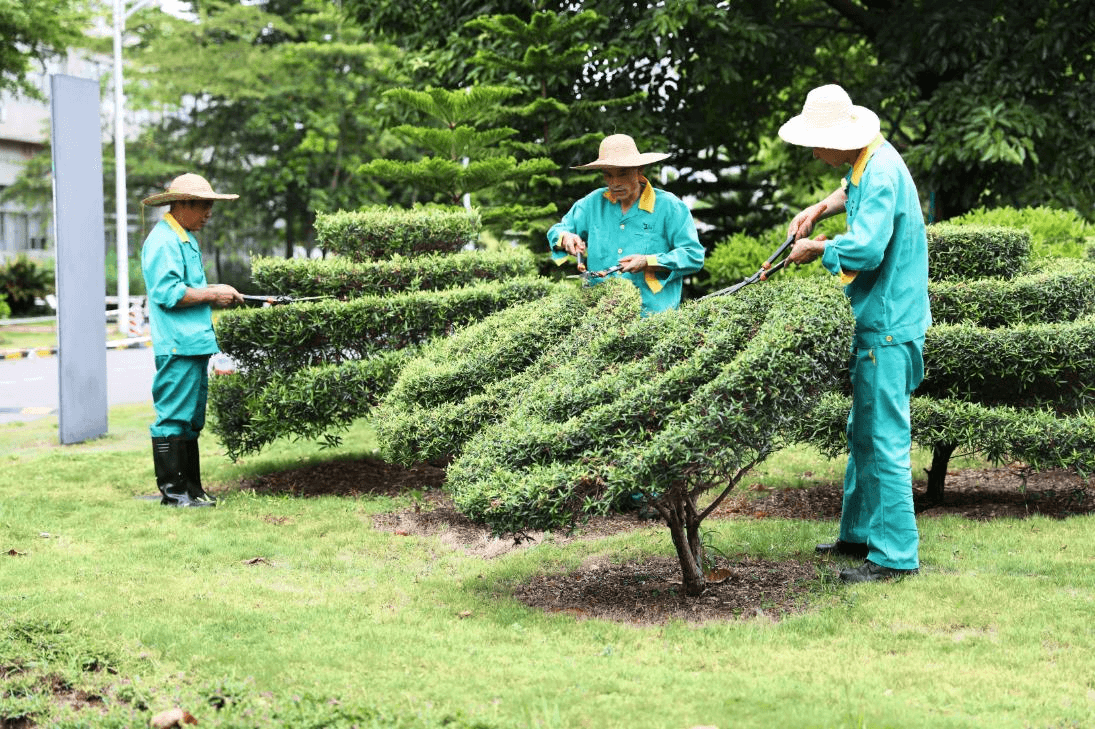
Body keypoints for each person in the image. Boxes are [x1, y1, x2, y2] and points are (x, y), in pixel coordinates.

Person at [780, 85, 932, 583]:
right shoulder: (870, 160)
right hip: (880, 320)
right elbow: (852, 190)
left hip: (888, 326)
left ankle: (895, 558)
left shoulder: (882, 171)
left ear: (839, 139)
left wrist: (817, 249)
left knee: (885, 438)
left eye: (815, 145)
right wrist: (818, 210)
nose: (815, 154)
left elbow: (866, 250)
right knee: (862, 434)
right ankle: (858, 535)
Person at [140, 173, 244, 508]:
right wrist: (214, 292)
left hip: (193, 343)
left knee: (190, 418)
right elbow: (168, 293)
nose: (208, 213)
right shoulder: (164, 241)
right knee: (173, 416)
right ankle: (174, 493)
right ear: (182, 203)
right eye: (203, 205)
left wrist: (216, 294)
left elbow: (188, 288)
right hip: (177, 344)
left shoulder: (183, 237)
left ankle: (192, 489)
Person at [547, 133, 705, 315]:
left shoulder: (670, 207)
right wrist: (566, 238)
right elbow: (557, 231)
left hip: (652, 319)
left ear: (639, 170)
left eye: (622, 173)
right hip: (600, 317)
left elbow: (693, 256)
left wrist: (649, 261)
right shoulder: (592, 203)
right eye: (608, 175)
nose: (615, 183)